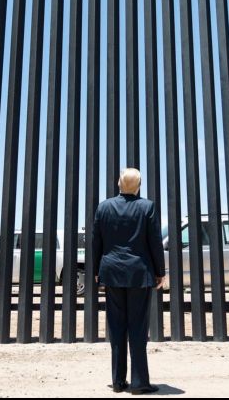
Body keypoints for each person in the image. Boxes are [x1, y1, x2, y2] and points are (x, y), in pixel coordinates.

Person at [93, 168, 165, 395]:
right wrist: (160, 272)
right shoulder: (147, 207)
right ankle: (139, 382)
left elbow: (97, 241)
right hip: (139, 274)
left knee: (116, 328)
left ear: (118, 183)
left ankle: (117, 382)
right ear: (139, 185)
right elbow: (154, 241)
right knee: (137, 328)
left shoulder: (104, 207)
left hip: (112, 272)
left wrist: (96, 270)